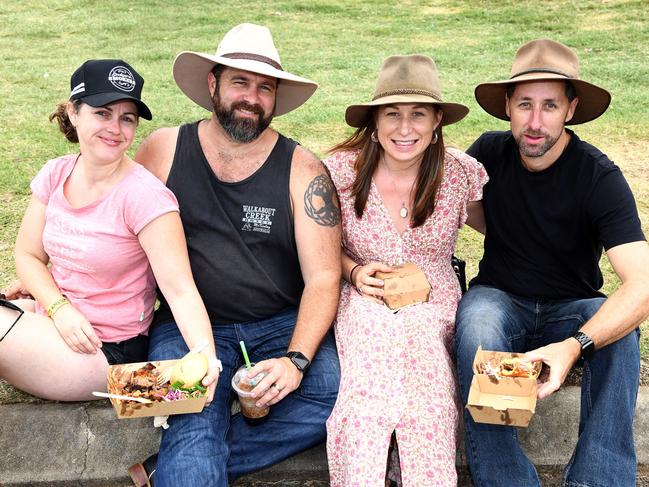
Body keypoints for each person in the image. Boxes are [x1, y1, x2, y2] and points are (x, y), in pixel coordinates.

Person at [126, 23, 342, 487]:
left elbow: (325, 276)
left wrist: (296, 360)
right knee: (191, 415)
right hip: (187, 326)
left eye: (265, 87)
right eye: (240, 82)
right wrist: (51, 277)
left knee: (333, 392)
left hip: (278, 322)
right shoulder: (163, 149)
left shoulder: (304, 169)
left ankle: (178, 463)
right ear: (213, 84)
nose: (252, 97)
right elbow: (115, 227)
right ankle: (195, 444)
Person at [454, 39, 649, 487]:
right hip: (500, 297)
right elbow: (443, 203)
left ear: (571, 109)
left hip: (572, 304)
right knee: (476, 322)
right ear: (507, 107)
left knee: (619, 331)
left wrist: (574, 345)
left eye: (549, 106)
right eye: (524, 104)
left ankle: (596, 480)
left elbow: (642, 285)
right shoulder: (487, 152)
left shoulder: (598, 176)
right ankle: (506, 480)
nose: (536, 122)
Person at [0, 59, 218, 402]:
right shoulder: (56, 174)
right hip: (56, 323)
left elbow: (180, 291)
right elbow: (27, 255)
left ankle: (162, 387)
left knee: (181, 390)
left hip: (106, 352)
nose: (115, 128)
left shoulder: (145, 197)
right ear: (74, 112)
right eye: (103, 113)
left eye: (127, 118)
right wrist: (59, 307)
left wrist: (206, 359)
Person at [323, 54, 488, 486]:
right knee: (365, 393)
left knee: (429, 384)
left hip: (434, 298)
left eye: (418, 114)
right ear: (374, 122)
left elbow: (506, 233)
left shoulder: (459, 174)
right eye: (392, 114)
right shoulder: (340, 172)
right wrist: (354, 272)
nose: (404, 128)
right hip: (364, 296)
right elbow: (322, 248)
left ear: (437, 121)